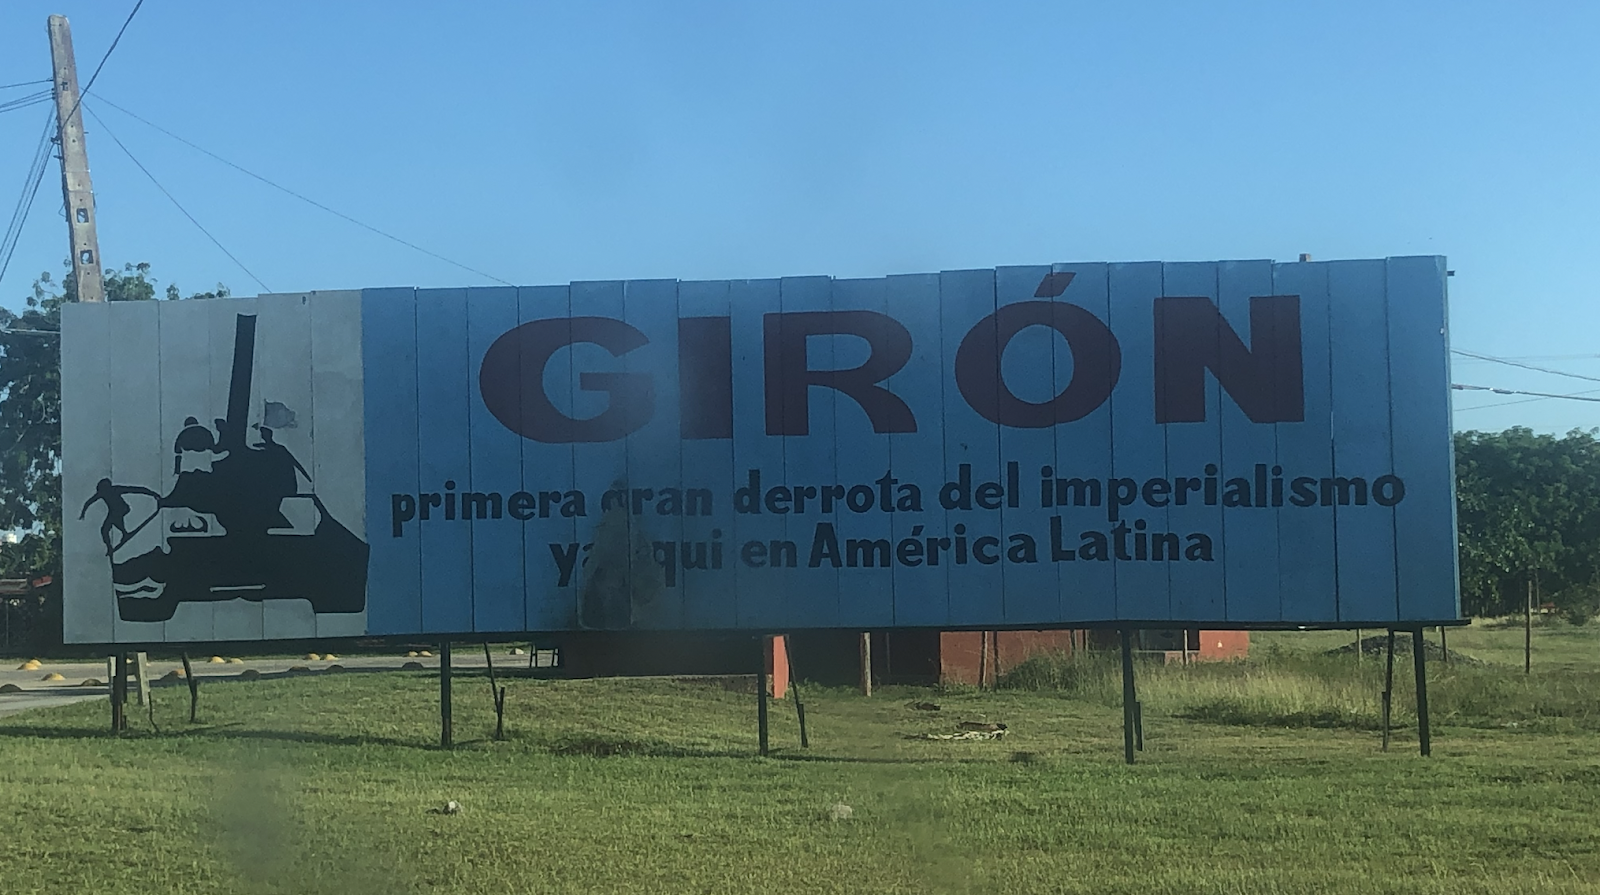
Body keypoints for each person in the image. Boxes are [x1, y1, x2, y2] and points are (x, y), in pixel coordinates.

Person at [79, 478, 162, 556]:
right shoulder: (103, 493)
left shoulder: (115, 489)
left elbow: (135, 490)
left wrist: (153, 493)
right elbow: (89, 502)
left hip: (122, 509)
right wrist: (83, 513)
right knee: (105, 529)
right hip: (114, 511)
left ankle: (124, 533)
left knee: (114, 519)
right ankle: (112, 544)